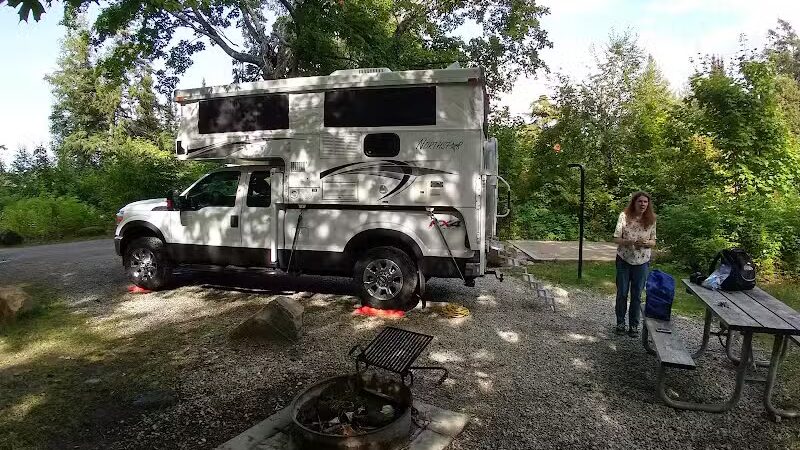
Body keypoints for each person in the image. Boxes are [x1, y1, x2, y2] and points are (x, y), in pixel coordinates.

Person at [612, 191, 657, 336]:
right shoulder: (624, 216)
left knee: (637, 295)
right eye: (640, 201)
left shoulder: (651, 219)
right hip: (624, 259)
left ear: (648, 204)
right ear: (634, 202)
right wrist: (629, 242)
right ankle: (620, 323)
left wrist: (647, 243)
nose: (643, 204)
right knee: (622, 293)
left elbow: (653, 241)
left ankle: (634, 326)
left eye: (645, 202)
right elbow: (616, 239)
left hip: (642, 261)